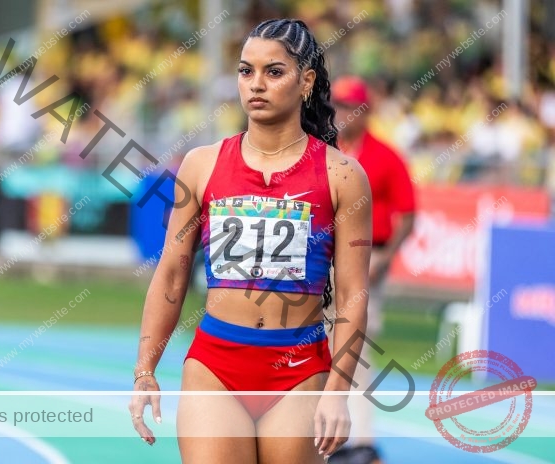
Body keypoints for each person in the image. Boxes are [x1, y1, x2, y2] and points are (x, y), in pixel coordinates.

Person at [129, 19, 373, 463]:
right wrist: (144, 372)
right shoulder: (201, 165)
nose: (256, 85)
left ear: (306, 81)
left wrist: (338, 391)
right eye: (246, 71)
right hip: (215, 366)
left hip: (299, 372)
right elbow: (171, 272)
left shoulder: (342, 176)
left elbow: (354, 293)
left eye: (273, 72)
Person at [328, 76, 416, 464]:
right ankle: (327, 437)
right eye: (339, 106)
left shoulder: (386, 155)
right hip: (325, 260)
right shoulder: (327, 148)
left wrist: (385, 257)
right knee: (317, 346)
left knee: (355, 348)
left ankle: (361, 441)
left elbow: (408, 214)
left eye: (350, 106)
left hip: (367, 260)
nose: (343, 113)